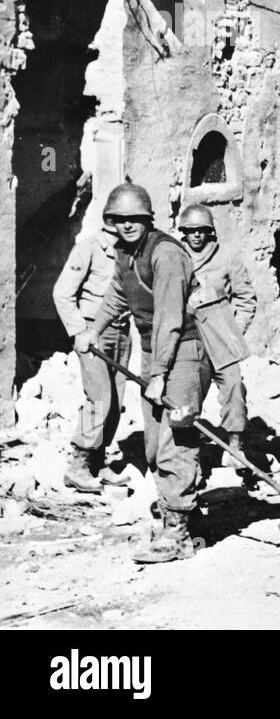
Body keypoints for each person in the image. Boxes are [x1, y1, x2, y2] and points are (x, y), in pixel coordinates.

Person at [73, 183, 206, 563]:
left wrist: (160, 373)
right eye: (119, 219)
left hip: (181, 352)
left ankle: (178, 533)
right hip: (155, 354)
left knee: (174, 439)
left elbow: (168, 319)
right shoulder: (125, 252)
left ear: (147, 220)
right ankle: (187, 520)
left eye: (134, 219)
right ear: (111, 222)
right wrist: (93, 329)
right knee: (153, 442)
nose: (127, 226)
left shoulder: (165, 254)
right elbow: (118, 292)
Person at [53, 217, 132, 493]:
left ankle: (98, 462)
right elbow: (62, 294)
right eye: (126, 219)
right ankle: (79, 466)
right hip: (92, 331)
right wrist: (78, 332)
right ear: (112, 220)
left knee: (117, 400)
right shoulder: (88, 248)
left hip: (122, 331)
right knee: (100, 398)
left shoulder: (128, 249)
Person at [177, 205, 256, 472]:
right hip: (189, 336)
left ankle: (235, 446)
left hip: (221, 334)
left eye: (201, 231)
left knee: (234, 387)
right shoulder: (175, 257)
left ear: (209, 232)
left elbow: (246, 298)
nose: (196, 237)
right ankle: (188, 456)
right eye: (190, 231)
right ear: (183, 232)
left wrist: (235, 330)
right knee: (188, 395)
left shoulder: (226, 256)